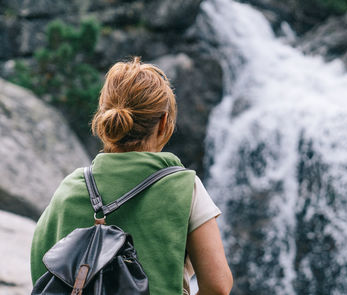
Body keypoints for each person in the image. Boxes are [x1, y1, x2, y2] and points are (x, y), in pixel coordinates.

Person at [30, 57, 233, 295]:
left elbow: (40, 272)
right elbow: (218, 285)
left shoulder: (70, 188)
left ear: (105, 118)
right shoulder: (185, 187)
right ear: (164, 122)